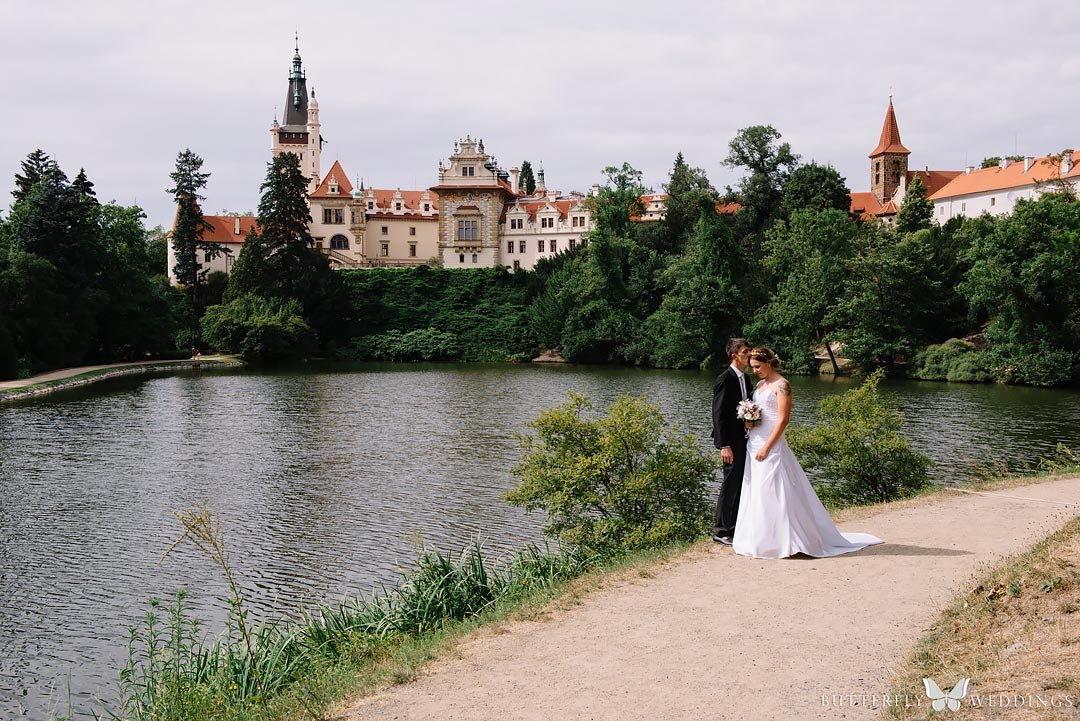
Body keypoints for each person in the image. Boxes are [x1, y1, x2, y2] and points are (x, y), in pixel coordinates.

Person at [733, 346, 883, 559]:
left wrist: (767, 446)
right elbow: (762, 413)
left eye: (757, 366)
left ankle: (787, 540)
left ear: (768, 363)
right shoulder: (759, 385)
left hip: (771, 444)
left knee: (775, 490)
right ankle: (760, 538)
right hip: (755, 441)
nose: (754, 370)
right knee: (756, 489)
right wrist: (750, 421)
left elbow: (783, 420)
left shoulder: (782, 385)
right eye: (752, 367)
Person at [710, 338, 752, 545]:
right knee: (730, 483)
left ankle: (734, 528)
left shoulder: (746, 378)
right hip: (730, 442)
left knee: (740, 483)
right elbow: (718, 415)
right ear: (734, 356)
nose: (749, 355)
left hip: (743, 439)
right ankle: (721, 531)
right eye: (745, 352)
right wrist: (724, 445)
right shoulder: (725, 379)